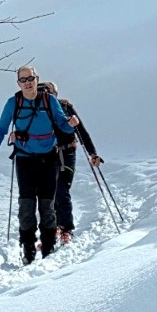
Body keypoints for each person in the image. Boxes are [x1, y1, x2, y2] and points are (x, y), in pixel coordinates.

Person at [0, 65, 78, 263]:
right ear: (18, 83)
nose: (27, 83)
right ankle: (28, 249)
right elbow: (1, 128)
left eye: (30, 78)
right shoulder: (13, 103)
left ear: (37, 79)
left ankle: (48, 246)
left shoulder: (49, 100)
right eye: (23, 80)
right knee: (26, 206)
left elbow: (61, 125)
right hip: (25, 158)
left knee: (47, 205)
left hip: (48, 159)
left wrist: (70, 125)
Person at [41, 80, 101, 244]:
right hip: (47, 154)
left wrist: (92, 153)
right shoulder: (38, 111)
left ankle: (66, 228)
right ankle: (55, 228)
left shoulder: (65, 107)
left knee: (61, 189)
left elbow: (81, 132)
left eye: (48, 92)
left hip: (67, 152)